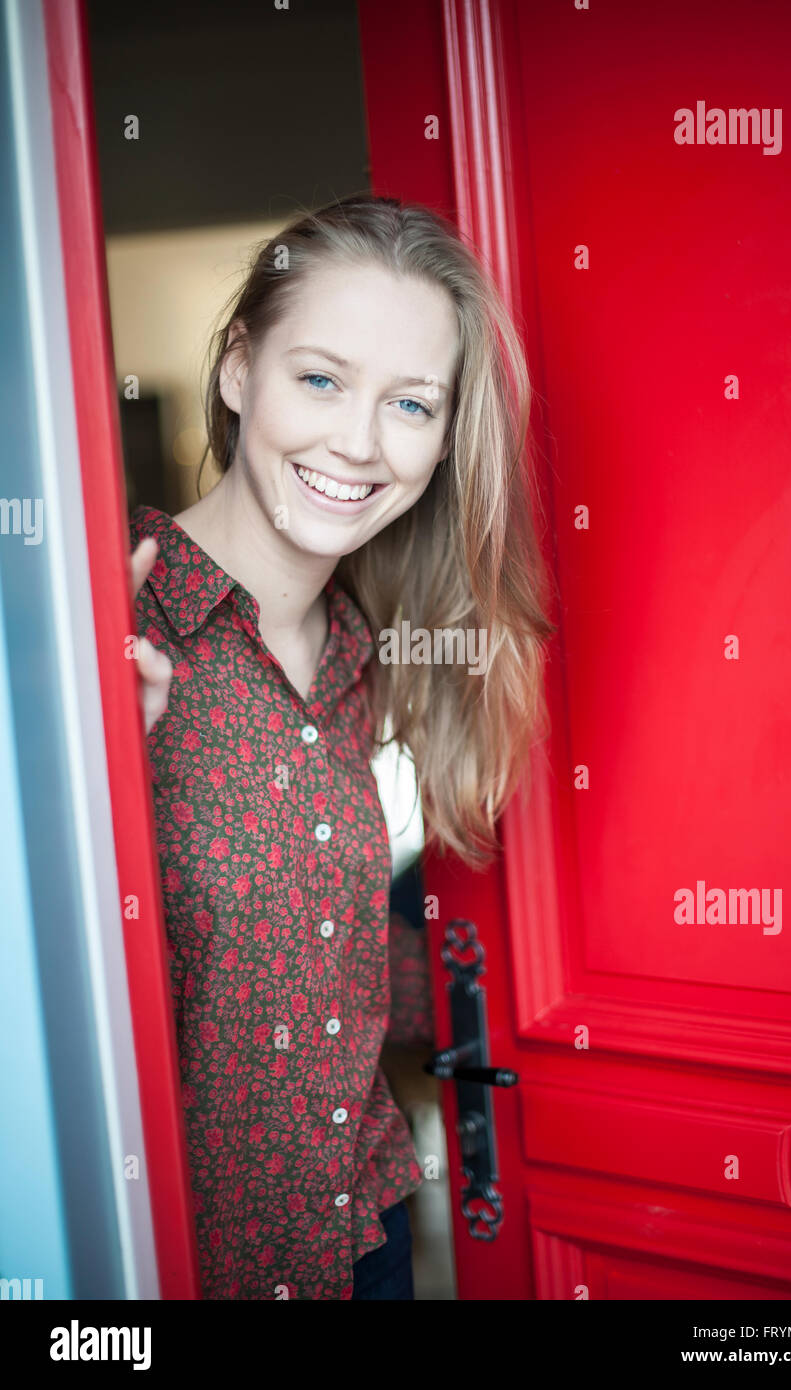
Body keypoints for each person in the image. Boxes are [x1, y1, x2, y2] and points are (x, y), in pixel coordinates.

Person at [127, 194, 553, 1300]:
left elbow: (317, 961)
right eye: (319, 378)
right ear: (237, 372)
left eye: (410, 404)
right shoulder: (102, 621)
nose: (358, 443)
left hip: (357, 1248)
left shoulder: (372, 657)